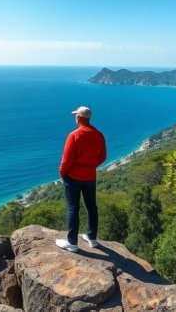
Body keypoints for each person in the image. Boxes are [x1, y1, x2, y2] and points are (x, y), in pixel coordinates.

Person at [56, 106, 107, 253]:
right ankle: (92, 238)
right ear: (88, 118)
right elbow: (103, 156)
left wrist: (62, 173)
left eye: (75, 116)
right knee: (92, 207)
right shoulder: (99, 135)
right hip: (90, 176)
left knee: (73, 208)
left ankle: (72, 243)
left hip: (72, 177)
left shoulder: (74, 135)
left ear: (78, 118)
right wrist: (90, 166)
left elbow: (66, 160)